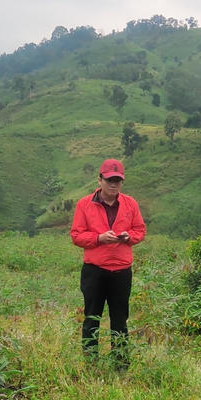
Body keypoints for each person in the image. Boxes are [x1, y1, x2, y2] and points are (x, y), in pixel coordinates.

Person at [69, 157, 146, 369]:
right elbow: (76, 235)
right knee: (92, 317)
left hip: (121, 272)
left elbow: (140, 231)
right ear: (100, 179)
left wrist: (128, 237)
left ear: (122, 182)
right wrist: (98, 238)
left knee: (120, 319)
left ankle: (120, 364)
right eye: (109, 179)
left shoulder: (130, 204)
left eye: (118, 180)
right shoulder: (84, 204)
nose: (114, 184)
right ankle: (91, 363)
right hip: (95, 271)